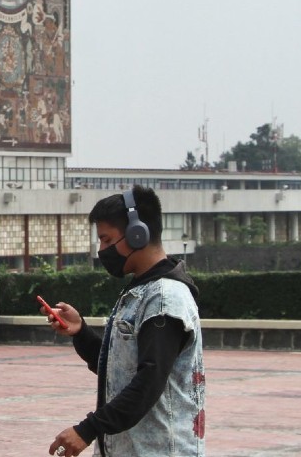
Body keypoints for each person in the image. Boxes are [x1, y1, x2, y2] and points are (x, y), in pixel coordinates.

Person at [44, 185, 205, 456]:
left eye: (107, 240)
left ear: (137, 235)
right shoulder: (141, 292)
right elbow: (118, 371)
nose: (102, 250)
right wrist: (80, 332)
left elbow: (148, 382)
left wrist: (86, 430)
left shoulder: (165, 299)